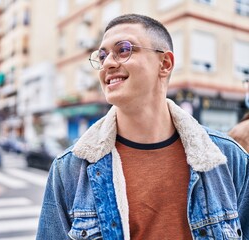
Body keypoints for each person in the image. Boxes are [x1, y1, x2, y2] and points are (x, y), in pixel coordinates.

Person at [36, 14, 249, 239]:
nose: (107, 62)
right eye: (102, 55)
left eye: (124, 49)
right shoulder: (69, 170)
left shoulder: (228, 158)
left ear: (165, 64)